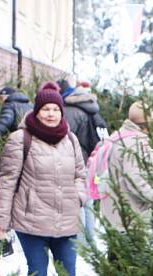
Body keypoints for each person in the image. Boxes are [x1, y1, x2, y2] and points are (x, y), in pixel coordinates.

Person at [0, 82, 87, 276]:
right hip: (31, 221)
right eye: (46, 109)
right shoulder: (20, 139)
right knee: (37, 274)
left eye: (55, 109)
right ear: (36, 110)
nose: (51, 114)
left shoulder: (71, 140)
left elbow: (80, 175)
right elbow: (7, 181)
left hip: (66, 221)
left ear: (61, 111)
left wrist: (78, 197)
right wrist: (1, 220)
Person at [99, 101, 153, 231]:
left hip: (113, 211)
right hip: (131, 216)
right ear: (146, 124)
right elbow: (134, 180)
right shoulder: (134, 143)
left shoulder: (119, 136)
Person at [63, 82, 109, 245]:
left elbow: (64, 139)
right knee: (88, 202)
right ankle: (90, 240)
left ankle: (80, 243)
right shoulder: (96, 113)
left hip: (76, 163)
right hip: (94, 164)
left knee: (77, 204)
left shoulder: (70, 112)